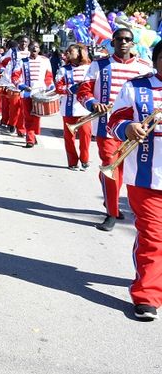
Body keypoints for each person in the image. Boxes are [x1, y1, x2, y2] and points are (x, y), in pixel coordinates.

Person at [77, 27, 154, 231]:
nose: (123, 42)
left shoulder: (145, 67)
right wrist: (93, 103)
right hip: (107, 127)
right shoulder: (99, 64)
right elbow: (83, 90)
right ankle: (111, 212)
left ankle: (137, 207)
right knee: (112, 167)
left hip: (139, 131)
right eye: (118, 39)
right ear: (112, 42)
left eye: (127, 39)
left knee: (132, 172)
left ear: (132, 43)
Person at [106, 41, 162, 320]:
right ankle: (147, 296)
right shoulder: (135, 86)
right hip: (146, 176)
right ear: (156, 60)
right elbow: (114, 120)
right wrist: (128, 127)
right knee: (153, 237)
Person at [54, 44, 92, 170]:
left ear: (80, 53)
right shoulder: (63, 70)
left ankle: (85, 160)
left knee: (86, 136)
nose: (67, 53)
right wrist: (70, 89)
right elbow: (58, 88)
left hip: (85, 109)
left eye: (71, 51)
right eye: (67, 51)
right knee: (69, 138)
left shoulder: (89, 68)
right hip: (68, 107)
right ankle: (72, 162)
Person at [11, 41, 54, 148]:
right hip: (26, 93)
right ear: (29, 49)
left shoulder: (45, 61)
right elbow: (15, 77)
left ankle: (33, 135)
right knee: (28, 116)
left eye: (37, 47)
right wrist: (22, 86)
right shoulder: (22, 61)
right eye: (32, 47)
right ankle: (29, 139)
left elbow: (49, 77)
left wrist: (51, 89)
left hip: (40, 93)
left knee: (36, 117)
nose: (35, 49)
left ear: (39, 49)